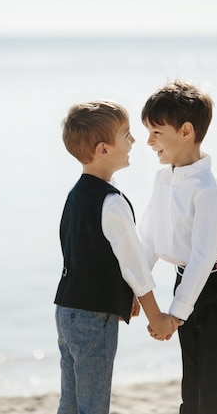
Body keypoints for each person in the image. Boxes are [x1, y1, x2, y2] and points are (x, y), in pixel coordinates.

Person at [54, 100, 181, 414]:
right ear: (102, 149)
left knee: (70, 403)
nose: (134, 141)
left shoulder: (76, 195)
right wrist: (157, 318)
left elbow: (88, 256)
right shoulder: (111, 202)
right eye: (126, 136)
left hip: (66, 310)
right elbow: (134, 266)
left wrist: (123, 295)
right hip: (93, 318)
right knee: (93, 406)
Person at [139, 80, 217, 414]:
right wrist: (135, 288)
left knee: (215, 397)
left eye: (156, 132)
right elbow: (148, 239)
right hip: (185, 283)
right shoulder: (163, 180)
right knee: (193, 394)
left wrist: (174, 313)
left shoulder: (209, 191)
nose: (149, 141)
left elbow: (202, 259)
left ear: (185, 131)